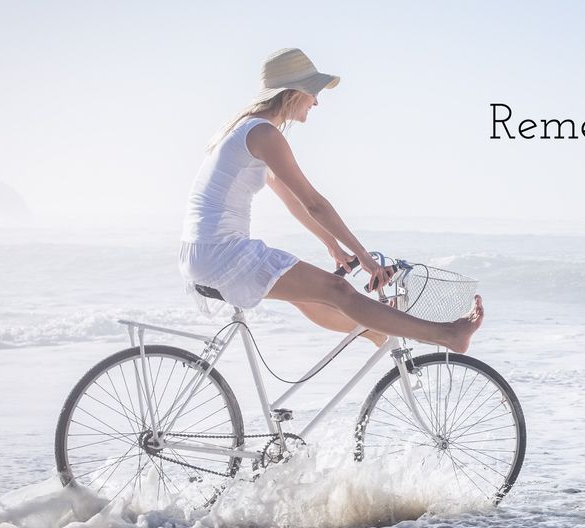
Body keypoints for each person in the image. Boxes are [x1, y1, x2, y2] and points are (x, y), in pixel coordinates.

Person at [178, 48, 484, 353]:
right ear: (293, 92)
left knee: (312, 294)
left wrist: (334, 247)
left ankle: (373, 332)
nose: (317, 101)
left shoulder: (247, 129)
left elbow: (294, 203)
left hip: (203, 253)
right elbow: (314, 203)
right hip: (222, 254)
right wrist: (363, 256)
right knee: (338, 290)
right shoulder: (264, 134)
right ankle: (447, 335)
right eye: (313, 91)